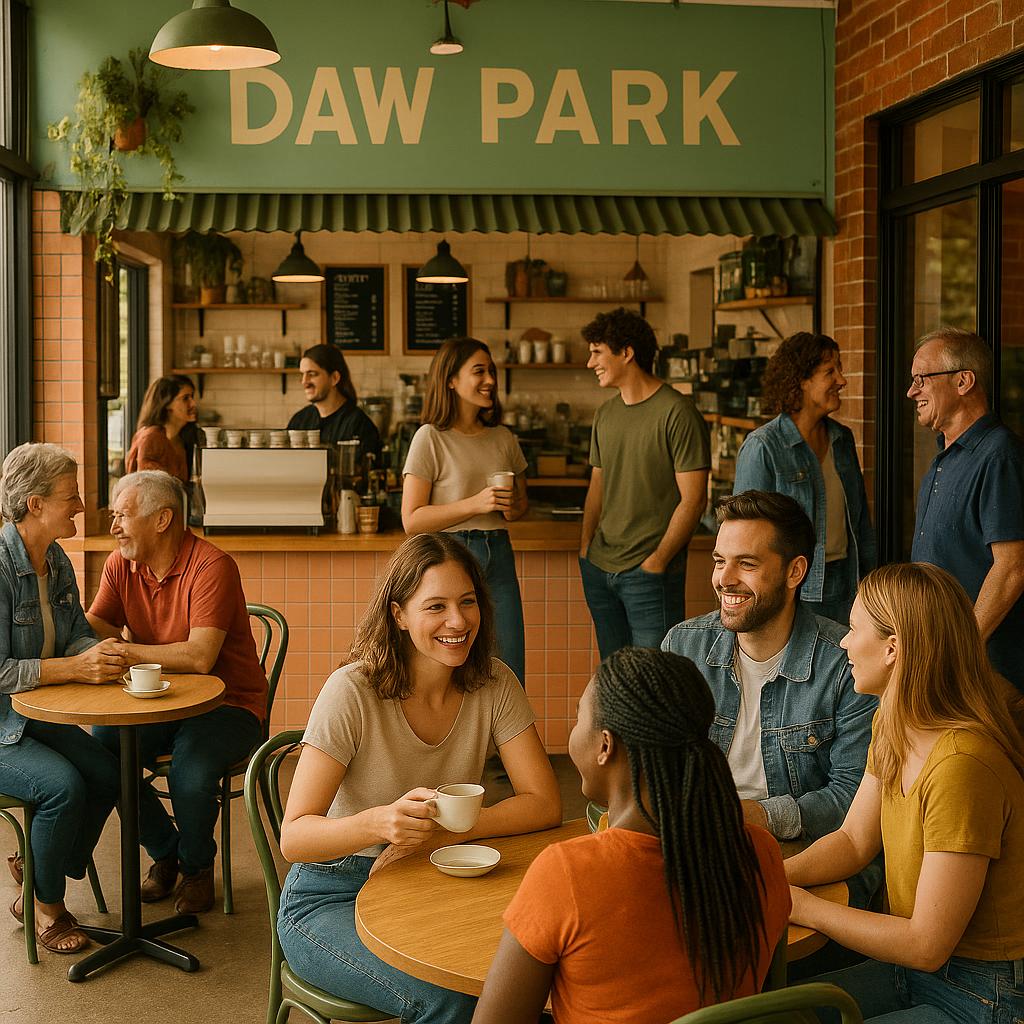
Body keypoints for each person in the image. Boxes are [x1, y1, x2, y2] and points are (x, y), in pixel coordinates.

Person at [277, 533, 561, 1024]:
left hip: (439, 876)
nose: (458, 621)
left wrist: (449, 832)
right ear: (398, 614)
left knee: (539, 980)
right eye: (436, 606)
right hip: (331, 894)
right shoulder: (352, 690)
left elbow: (543, 803)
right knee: (456, 1002)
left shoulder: (494, 682)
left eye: (467, 601)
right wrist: (381, 825)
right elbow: (295, 837)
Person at [472, 647, 790, 1024]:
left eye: (578, 720)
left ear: (605, 745)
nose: (574, 736)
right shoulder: (761, 853)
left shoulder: (568, 873)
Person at [786, 562, 1024, 1023]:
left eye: (854, 630)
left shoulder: (961, 765)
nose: (843, 643)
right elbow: (855, 841)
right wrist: (774, 878)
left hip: (983, 994)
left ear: (893, 648)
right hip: (912, 969)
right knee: (775, 1014)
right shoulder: (893, 721)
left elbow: (926, 944)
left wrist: (801, 906)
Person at [662, 491, 880, 907]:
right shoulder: (682, 646)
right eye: (719, 561)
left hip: (810, 857)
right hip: (701, 849)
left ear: (795, 571)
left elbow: (853, 798)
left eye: (747, 564)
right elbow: (657, 765)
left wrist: (755, 815)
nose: (725, 579)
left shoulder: (846, 663)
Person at [87, 470, 266, 915]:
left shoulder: (212, 566)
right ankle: (167, 852)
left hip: (229, 703)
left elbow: (200, 656)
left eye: (123, 516)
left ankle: (196, 869)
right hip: (158, 700)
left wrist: (123, 653)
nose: (114, 527)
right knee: (104, 750)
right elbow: (94, 631)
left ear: (163, 519)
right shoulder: (119, 564)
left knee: (192, 768)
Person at [0, 443, 122, 954]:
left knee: (110, 774)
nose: (80, 506)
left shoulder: (55, 559)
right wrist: (73, 667)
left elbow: (74, 634)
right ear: (35, 503)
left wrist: (99, 653)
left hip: (39, 713)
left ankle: (41, 864)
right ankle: (46, 908)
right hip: (4, 724)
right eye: (71, 496)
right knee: (63, 788)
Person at [578, 307, 709, 658]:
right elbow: (598, 487)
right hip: (600, 567)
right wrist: (585, 547)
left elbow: (694, 501)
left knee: (655, 680)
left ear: (626, 352)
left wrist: (657, 562)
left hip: (649, 575)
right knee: (613, 679)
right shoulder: (605, 414)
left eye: (597, 352)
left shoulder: (677, 413)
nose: (590, 363)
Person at [402, 338, 529, 686]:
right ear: (451, 380)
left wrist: (513, 504)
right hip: (449, 557)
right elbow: (412, 519)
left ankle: (504, 741)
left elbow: (518, 510)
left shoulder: (503, 437)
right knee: (452, 667)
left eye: (492, 371)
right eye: (479, 371)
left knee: (509, 666)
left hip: (498, 552)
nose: (489, 379)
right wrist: (477, 503)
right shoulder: (430, 438)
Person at [907, 326, 1024, 691]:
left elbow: (1012, 569)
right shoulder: (944, 460)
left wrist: (963, 651)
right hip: (940, 659)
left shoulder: (999, 456)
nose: (912, 392)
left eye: (922, 379)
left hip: (984, 672)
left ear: (963, 381)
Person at [733, 332, 875, 625]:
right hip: (790, 590)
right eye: (829, 372)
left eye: (840, 369)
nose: (842, 380)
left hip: (846, 586)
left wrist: (871, 585)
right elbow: (744, 535)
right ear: (801, 380)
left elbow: (860, 524)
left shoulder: (842, 440)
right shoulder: (763, 446)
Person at [287, 343, 381, 461]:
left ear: (334, 378)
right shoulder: (299, 421)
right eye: (302, 375)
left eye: (312, 374)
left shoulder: (360, 426)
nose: (304, 381)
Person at [125, 375, 198, 485]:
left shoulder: (180, 439)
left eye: (192, 397)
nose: (193, 403)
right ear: (167, 403)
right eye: (185, 398)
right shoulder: (151, 437)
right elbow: (147, 487)